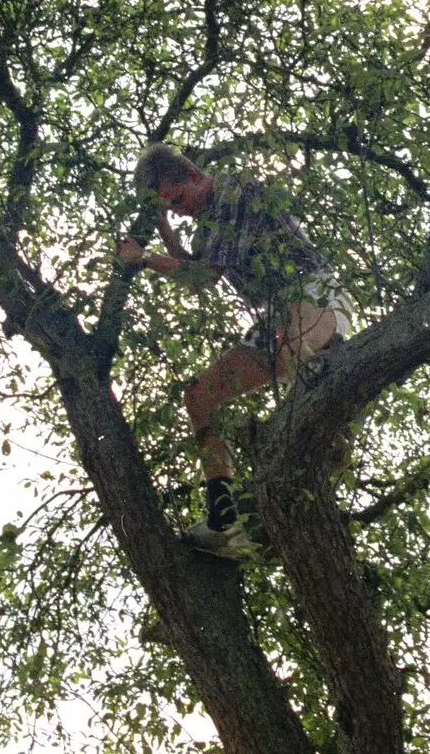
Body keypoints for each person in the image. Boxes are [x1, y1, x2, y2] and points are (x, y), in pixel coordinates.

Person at [117, 144, 355, 556]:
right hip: (278, 318)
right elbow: (196, 278)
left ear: (193, 174)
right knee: (200, 396)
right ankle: (224, 520)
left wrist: (143, 259)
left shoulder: (235, 188)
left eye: (178, 200)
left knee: (292, 343)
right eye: (170, 207)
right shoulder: (208, 228)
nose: (180, 210)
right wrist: (164, 230)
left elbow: (204, 272)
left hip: (313, 292)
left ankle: (331, 435)